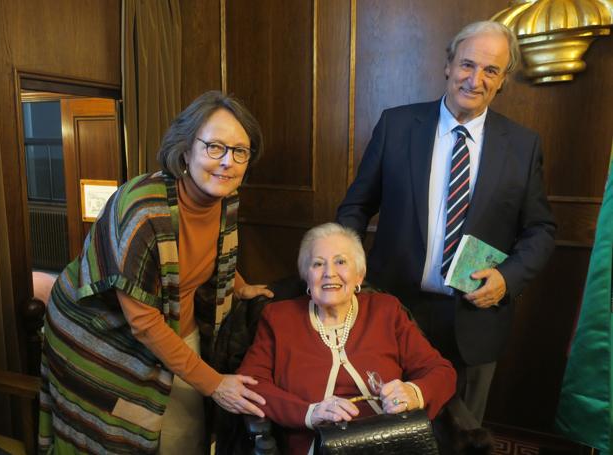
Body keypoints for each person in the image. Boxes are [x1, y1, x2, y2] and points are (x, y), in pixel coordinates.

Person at [336, 21, 556, 425]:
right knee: (391, 434)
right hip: (393, 311)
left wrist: (508, 279)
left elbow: (541, 230)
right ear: (448, 64)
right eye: (467, 65)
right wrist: (348, 268)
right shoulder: (396, 126)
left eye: (491, 71)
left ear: (503, 80)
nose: (475, 79)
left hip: (476, 319)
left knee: (462, 436)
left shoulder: (523, 146)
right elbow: (355, 207)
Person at [38, 91, 274, 454]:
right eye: (215, 147)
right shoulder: (143, 209)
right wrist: (215, 384)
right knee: (122, 435)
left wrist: (239, 286)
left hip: (172, 319)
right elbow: (144, 324)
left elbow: (207, 250)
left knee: (189, 429)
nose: (228, 161)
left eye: (239, 151)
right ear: (185, 150)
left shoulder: (225, 198)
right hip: (100, 333)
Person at [237, 223, 456, 454]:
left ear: (359, 274)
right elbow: (251, 384)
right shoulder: (279, 319)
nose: (329, 272)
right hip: (317, 445)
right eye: (318, 263)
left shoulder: (385, 311)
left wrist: (414, 392)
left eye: (341, 262)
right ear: (307, 276)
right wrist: (310, 412)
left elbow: (442, 372)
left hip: (391, 442)